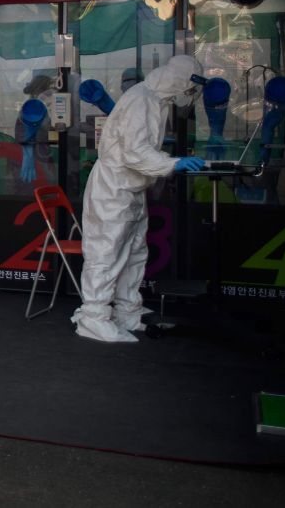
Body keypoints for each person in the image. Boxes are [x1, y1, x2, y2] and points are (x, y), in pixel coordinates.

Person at [71, 54, 205, 343]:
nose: (190, 95)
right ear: (180, 81)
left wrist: (168, 161)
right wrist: (172, 163)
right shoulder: (140, 99)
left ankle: (127, 311)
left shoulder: (156, 100)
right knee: (105, 253)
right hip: (113, 187)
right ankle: (93, 317)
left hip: (129, 187)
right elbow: (135, 152)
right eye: (190, 87)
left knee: (133, 252)